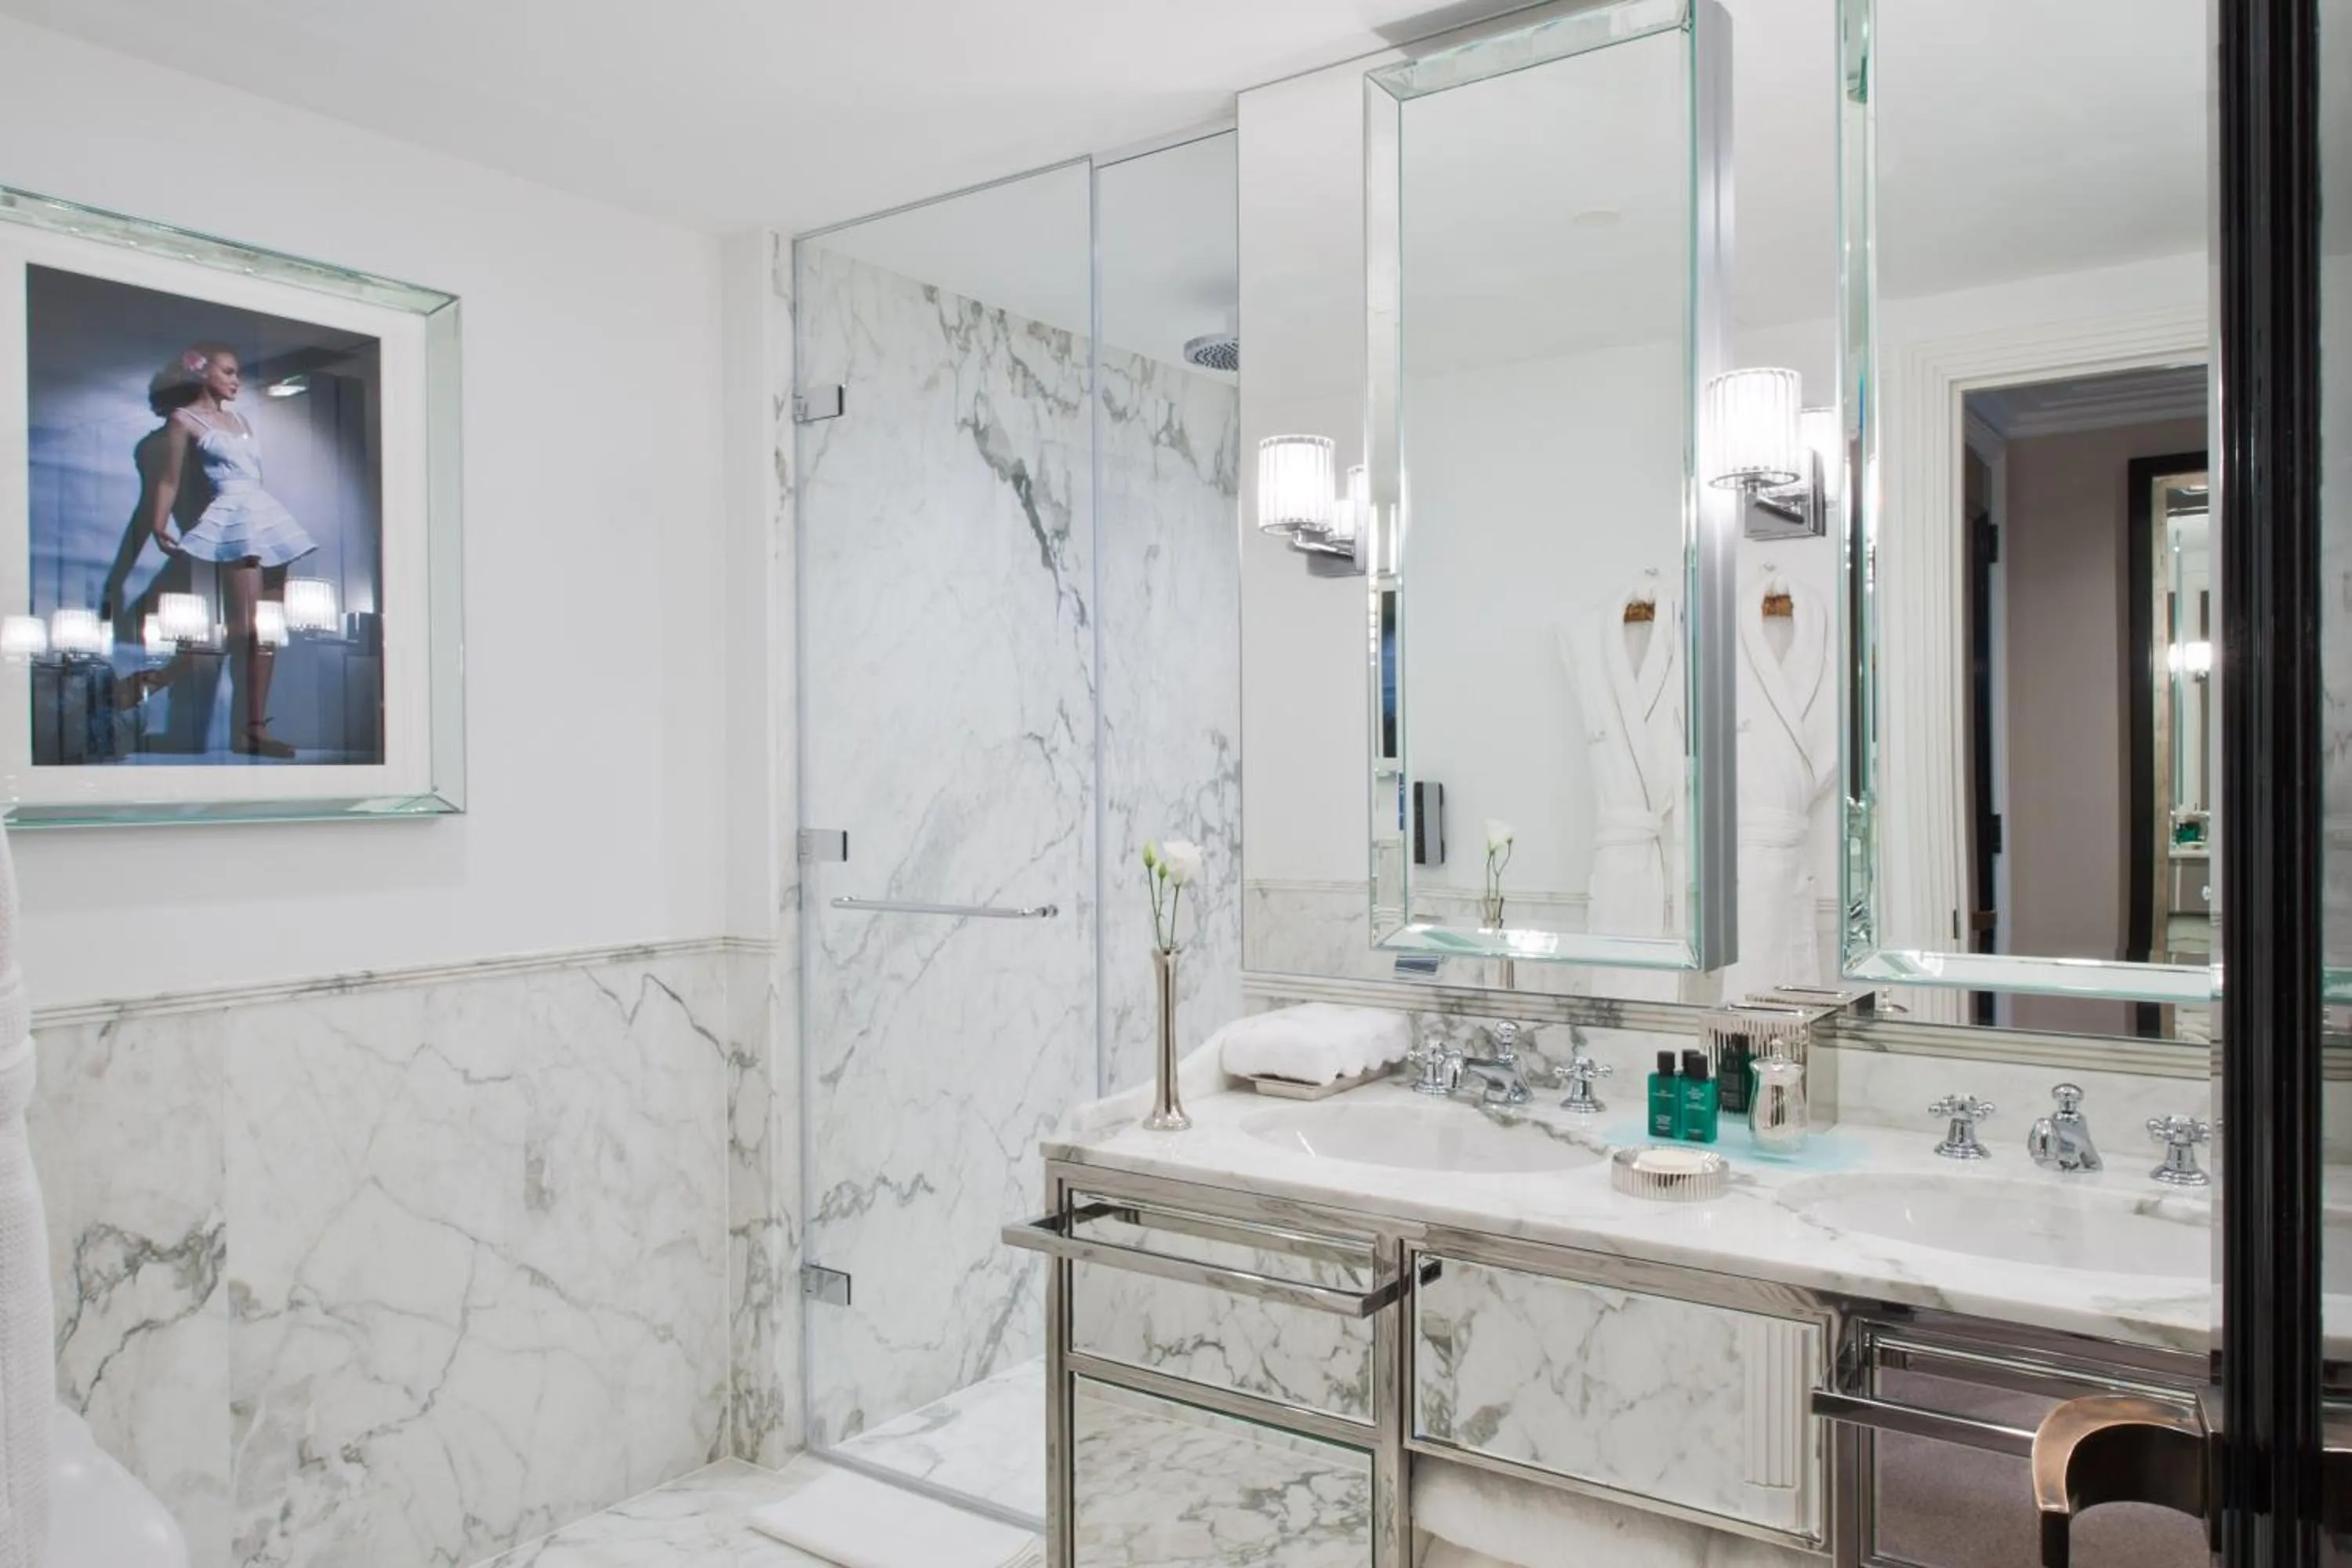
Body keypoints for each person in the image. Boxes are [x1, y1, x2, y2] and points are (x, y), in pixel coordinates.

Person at [142, 343, 315, 758]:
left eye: (237, 373)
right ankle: (158, 679)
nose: (237, 381)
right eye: (229, 372)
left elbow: (255, 473)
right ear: (204, 374)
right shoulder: (183, 420)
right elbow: (168, 479)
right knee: (244, 630)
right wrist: (158, 522)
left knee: (267, 631)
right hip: (232, 516)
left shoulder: (241, 421)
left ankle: (254, 729)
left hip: (265, 514)